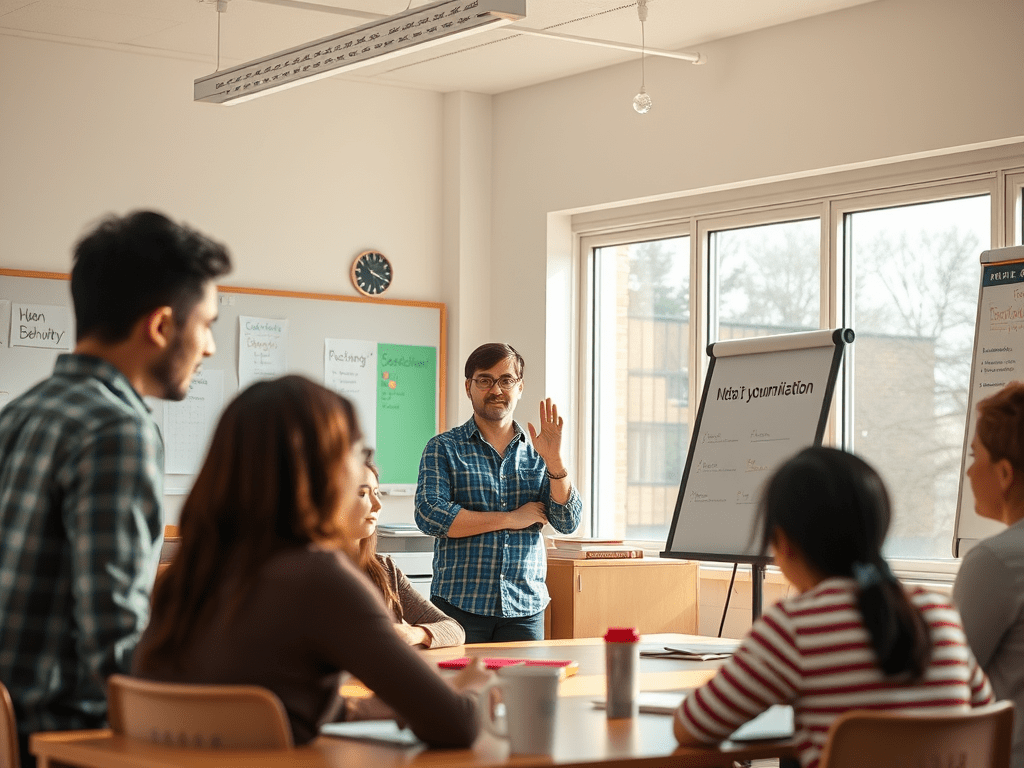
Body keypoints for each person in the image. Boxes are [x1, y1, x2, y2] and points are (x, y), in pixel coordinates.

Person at [134, 376, 487, 746]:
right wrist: (474, 689)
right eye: (354, 452)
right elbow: (456, 725)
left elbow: (270, 703)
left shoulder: (186, 577)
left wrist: (372, 709)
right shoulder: (319, 578)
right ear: (324, 469)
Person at [0, 211, 231, 765]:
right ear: (159, 326)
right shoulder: (117, 430)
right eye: (206, 325)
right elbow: (117, 640)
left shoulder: (18, 414)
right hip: (66, 739)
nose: (210, 349)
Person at [674, 446, 994, 768]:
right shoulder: (939, 613)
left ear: (782, 542)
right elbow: (985, 714)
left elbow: (692, 726)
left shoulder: (796, 627)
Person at [415, 342, 582, 643]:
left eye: (506, 380)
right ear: (469, 387)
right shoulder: (443, 448)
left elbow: (567, 521)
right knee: (458, 690)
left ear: (519, 387)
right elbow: (430, 515)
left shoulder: (538, 453)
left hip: (525, 608)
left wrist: (555, 461)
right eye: (485, 380)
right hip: (458, 607)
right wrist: (510, 518)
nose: (496, 390)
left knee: (524, 691)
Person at [953, 381, 1024, 768]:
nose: (967, 471)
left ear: (1004, 473)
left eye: (974, 454)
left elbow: (944, 680)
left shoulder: (996, 561)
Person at [348, 457, 466, 648]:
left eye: (377, 493)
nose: (378, 505)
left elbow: (454, 630)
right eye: (362, 493)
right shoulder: (311, 573)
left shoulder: (386, 570)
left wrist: (415, 633)